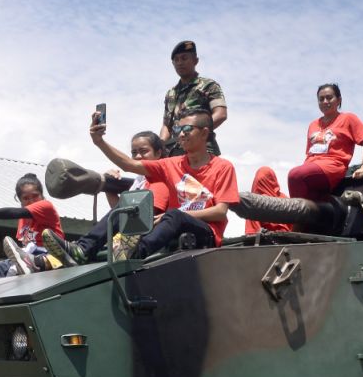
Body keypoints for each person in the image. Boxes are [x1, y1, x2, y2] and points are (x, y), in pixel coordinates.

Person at [54, 108, 237, 262]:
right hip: (170, 225)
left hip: (206, 233)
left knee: (175, 214)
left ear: (204, 132)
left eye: (187, 129)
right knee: (126, 207)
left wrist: (178, 214)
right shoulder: (171, 164)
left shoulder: (223, 167)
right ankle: (82, 250)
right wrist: (99, 142)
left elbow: (220, 212)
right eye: (178, 129)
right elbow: (129, 164)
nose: (181, 134)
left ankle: (134, 252)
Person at [42, 131, 171, 264]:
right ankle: (40, 262)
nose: (138, 156)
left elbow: (142, 219)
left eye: (144, 151)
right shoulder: (140, 180)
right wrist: (109, 188)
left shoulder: (160, 180)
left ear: (158, 153)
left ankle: (83, 248)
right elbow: (118, 216)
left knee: (124, 213)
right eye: (134, 153)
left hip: (143, 236)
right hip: (127, 234)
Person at [287, 83, 363, 202]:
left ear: (339, 100)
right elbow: (309, 153)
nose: (325, 101)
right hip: (312, 167)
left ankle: (297, 219)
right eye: (321, 99)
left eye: (329, 97)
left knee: (295, 175)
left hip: (333, 166)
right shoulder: (313, 124)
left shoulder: (348, 118)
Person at [160, 40, 227, 157]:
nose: (180, 63)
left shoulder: (208, 85)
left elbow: (221, 114)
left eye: (184, 58)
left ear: (195, 61)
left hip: (203, 152)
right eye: (176, 60)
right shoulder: (171, 93)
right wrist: (160, 146)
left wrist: (193, 133)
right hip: (175, 153)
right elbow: (166, 125)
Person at [244, 167, 294, 235]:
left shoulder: (254, 203)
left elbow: (252, 233)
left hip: (267, 243)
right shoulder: (285, 200)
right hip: (288, 242)